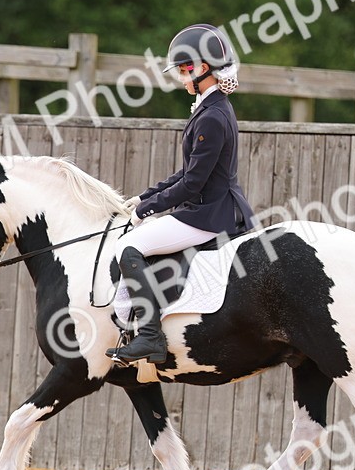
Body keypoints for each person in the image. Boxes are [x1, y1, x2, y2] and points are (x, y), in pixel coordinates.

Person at [107, 23, 255, 366]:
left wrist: (147, 211)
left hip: (210, 214)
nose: (181, 78)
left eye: (185, 70)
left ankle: (149, 336)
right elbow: (187, 173)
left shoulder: (212, 117)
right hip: (208, 206)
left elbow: (192, 185)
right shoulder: (211, 108)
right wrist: (146, 197)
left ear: (203, 69)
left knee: (129, 247)